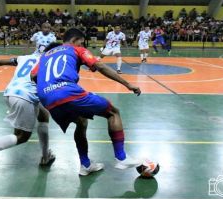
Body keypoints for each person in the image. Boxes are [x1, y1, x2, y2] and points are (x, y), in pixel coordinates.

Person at [31, 28, 155, 176]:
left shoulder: (45, 55)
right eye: (81, 42)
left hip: (47, 98)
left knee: (81, 121)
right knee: (113, 112)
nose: (82, 44)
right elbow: (100, 66)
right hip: (67, 92)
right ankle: (121, 158)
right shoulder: (77, 49)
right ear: (75, 40)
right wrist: (128, 84)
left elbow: (33, 76)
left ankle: (85, 165)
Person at [0, 50, 55, 176]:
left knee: (44, 114)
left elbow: (8, 61)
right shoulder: (49, 62)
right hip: (25, 96)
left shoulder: (25, 57)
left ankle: (45, 156)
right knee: (22, 137)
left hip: (11, 92)